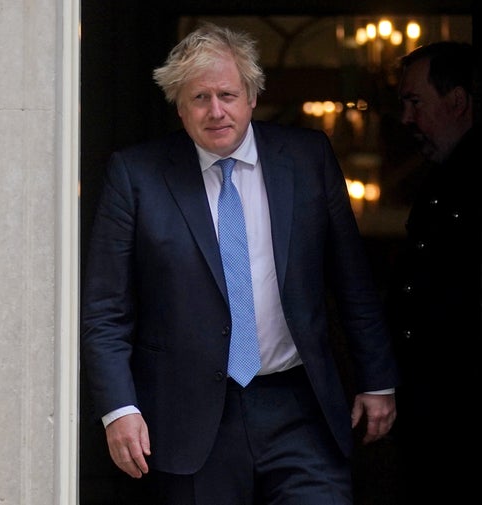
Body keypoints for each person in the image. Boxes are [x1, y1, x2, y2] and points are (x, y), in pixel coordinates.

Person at [80, 22, 399, 505]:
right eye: (199, 98)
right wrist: (119, 409)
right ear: (178, 106)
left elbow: (351, 280)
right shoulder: (137, 175)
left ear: (251, 95)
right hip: (189, 416)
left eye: (227, 94)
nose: (216, 111)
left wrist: (377, 378)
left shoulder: (306, 159)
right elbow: (106, 309)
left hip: (299, 406)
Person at [385, 41, 482, 503]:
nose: (406, 119)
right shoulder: (442, 176)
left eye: (415, 102)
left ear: (456, 101)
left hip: (470, 411)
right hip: (433, 404)